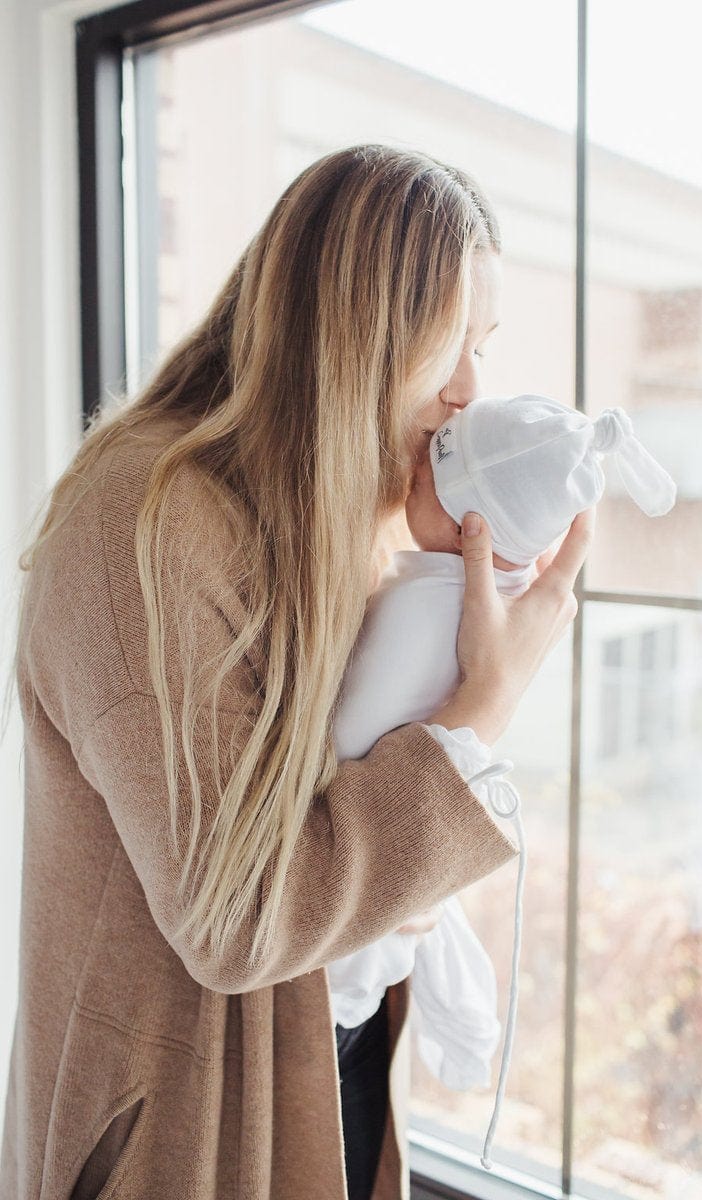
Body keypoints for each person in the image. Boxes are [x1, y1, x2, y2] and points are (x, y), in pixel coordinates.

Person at [0, 143, 594, 1200]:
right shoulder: (143, 525)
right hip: (182, 1122)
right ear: (350, 332)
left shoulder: (335, 506)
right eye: (444, 341)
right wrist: (478, 710)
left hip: (328, 1065)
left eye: (484, 347)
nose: (467, 389)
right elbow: (237, 921)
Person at [328, 392, 676, 1178]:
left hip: (345, 933)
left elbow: (346, 743)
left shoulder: (426, 611)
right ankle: (459, 1030)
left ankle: (441, 1024)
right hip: (392, 873)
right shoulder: (506, 605)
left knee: (395, 955)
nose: (410, 467)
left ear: (466, 526)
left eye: (424, 474)